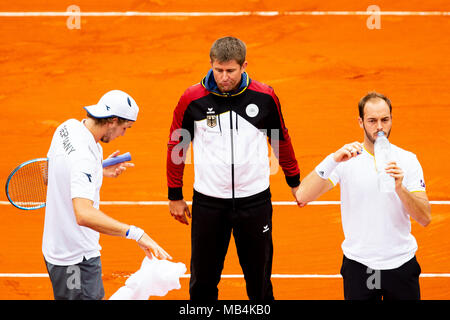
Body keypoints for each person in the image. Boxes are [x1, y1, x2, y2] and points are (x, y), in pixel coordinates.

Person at [166, 36, 300, 301]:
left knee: (259, 282)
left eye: (230, 71)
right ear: (211, 65)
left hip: (255, 201)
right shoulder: (192, 99)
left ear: (244, 66)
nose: (223, 77)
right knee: (203, 282)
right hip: (209, 203)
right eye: (218, 70)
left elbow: (280, 140)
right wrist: (175, 195)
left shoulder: (264, 97)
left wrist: (294, 181)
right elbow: (176, 147)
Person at [296, 91, 431, 300]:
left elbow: (425, 217)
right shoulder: (347, 159)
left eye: (385, 120)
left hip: (401, 265)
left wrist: (400, 188)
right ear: (360, 122)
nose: (379, 127)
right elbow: (303, 195)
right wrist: (332, 160)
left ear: (391, 119)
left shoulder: (408, 160)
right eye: (372, 120)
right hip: (361, 267)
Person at [42, 90, 171, 300]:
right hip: (74, 260)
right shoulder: (83, 157)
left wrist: (97, 170)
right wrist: (135, 233)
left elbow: (48, 173)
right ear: (112, 121)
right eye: (124, 128)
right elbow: (83, 214)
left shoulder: (67, 127)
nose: (123, 134)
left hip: (62, 248)